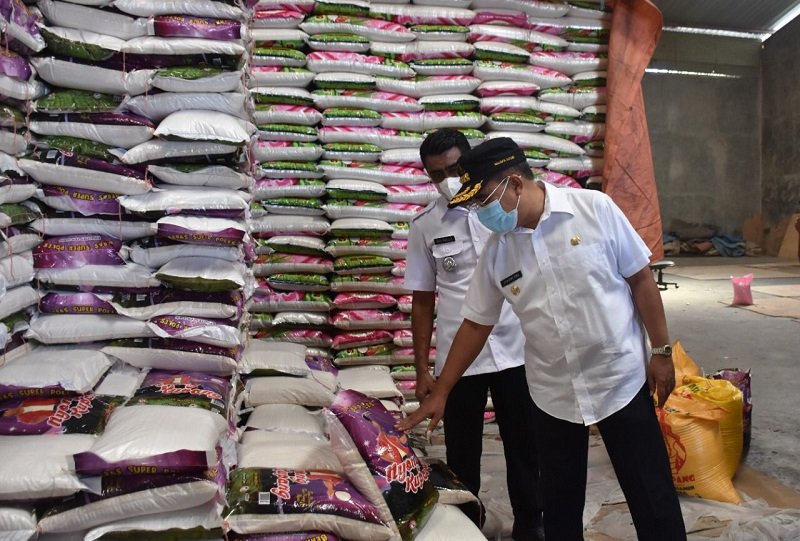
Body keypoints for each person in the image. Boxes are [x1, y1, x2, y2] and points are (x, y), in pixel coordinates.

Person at [398, 137, 687, 540]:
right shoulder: (499, 251)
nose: (480, 214)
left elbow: (640, 278)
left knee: (652, 500)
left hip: (617, 380)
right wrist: (442, 390)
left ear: (515, 184)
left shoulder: (593, 210)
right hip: (554, 395)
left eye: (483, 201)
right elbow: (475, 324)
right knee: (560, 509)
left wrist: (660, 351)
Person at [404, 129, 544, 540]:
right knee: (462, 453)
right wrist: (423, 371)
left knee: (525, 444)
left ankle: (531, 524)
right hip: (458, 357)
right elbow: (423, 301)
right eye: (436, 174)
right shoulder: (426, 225)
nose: (446, 180)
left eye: (452, 169)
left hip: (515, 348)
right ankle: (466, 527)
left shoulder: (502, 208)